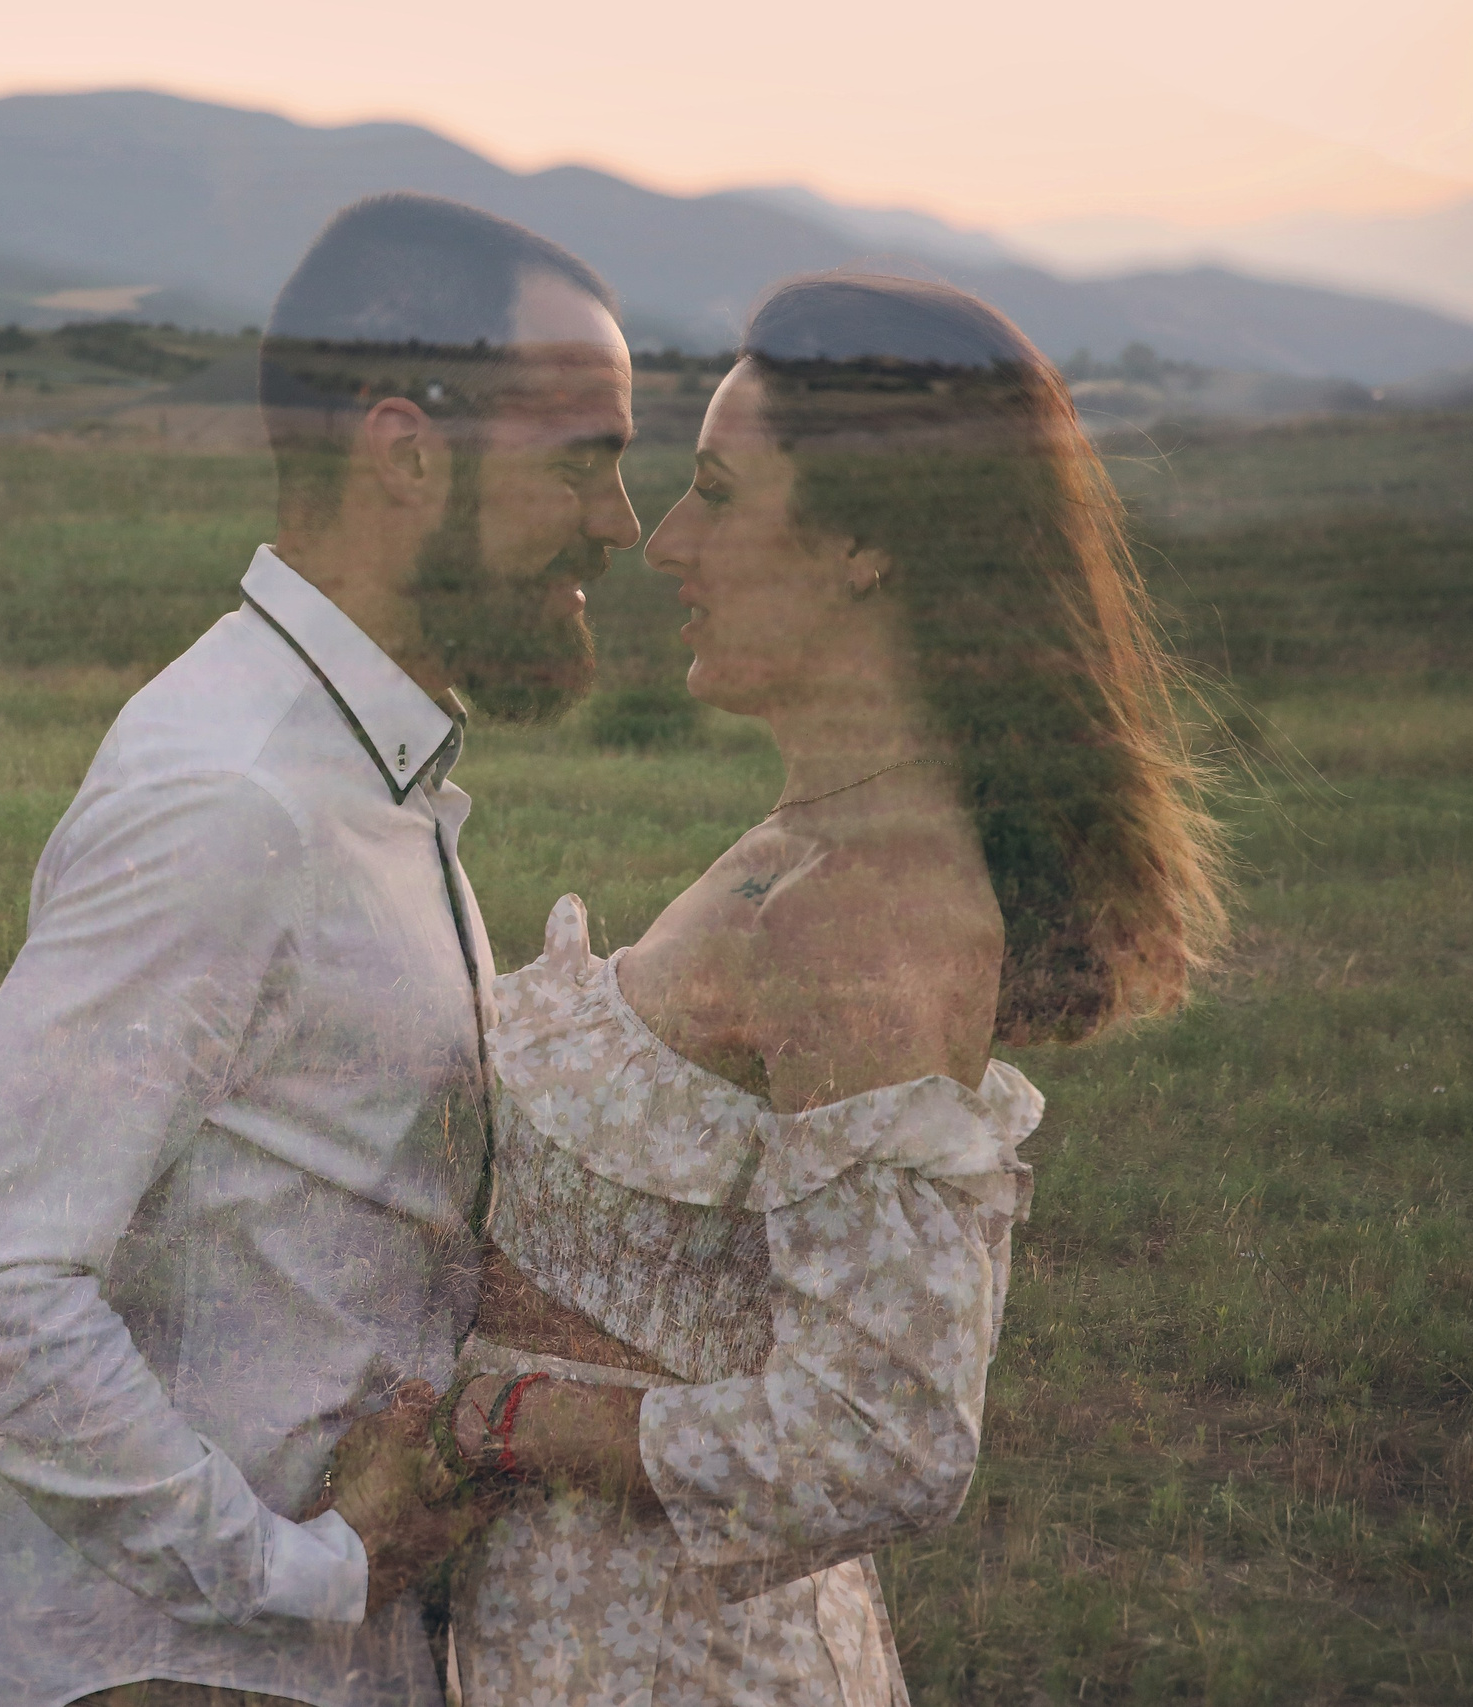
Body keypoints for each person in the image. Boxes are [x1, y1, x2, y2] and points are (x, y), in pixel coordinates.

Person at [337, 273, 1229, 1705]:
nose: (667, 543)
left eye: (717, 495)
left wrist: (509, 1420)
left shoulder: (868, 917)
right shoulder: (801, 852)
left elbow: (885, 1437)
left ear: (869, 540)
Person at [0, 193, 642, 1707]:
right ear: (407, 450)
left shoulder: (358, 777)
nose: (619, 523)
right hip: (183, 1676)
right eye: (587, 458)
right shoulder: (232, 798)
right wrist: (293, 1576)